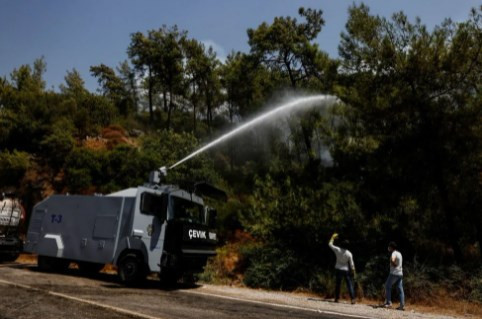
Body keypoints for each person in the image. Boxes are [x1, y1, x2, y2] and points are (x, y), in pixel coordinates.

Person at [328, 233, 356, 304]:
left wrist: (332, 238)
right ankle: (352, 299)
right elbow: (352, 264)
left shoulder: (337, 250)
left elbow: (330, 245)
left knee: (338, 284)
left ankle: (337, 298)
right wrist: (353, 271)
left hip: (338, 268)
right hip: (346, 270)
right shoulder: (349, 253)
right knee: (349, 284)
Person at [384, 241, 405, 310]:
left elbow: (392, 260)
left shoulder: (393, 253)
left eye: (389, 247)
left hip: (394, 273)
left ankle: (388, 303)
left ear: (391, 247)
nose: (388, 248)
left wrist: (393, 264)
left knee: (387, 286)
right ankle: (402, 305)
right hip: (400, 273)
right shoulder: (399, 253)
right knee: (400, 289)